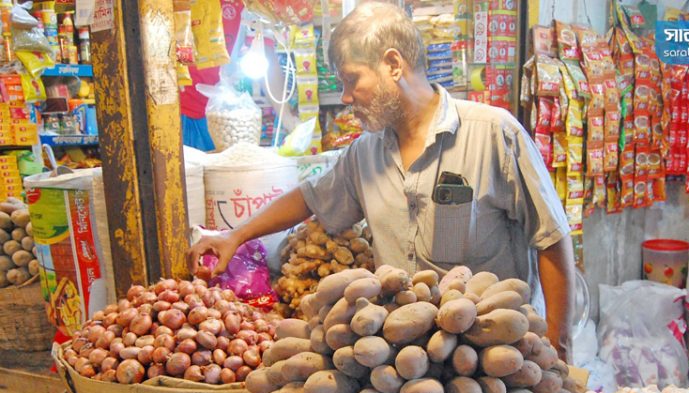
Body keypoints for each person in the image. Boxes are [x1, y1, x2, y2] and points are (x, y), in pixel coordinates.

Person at [188, 1, 575, 360]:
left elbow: (552, 241)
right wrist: (235, 235)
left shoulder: (493, 134)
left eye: (352, 79)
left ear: (393, 64)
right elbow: (309, 197)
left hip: (491, 356)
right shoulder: (365, 154)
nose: (345, 96)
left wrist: (557, 350)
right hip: (405, 361)